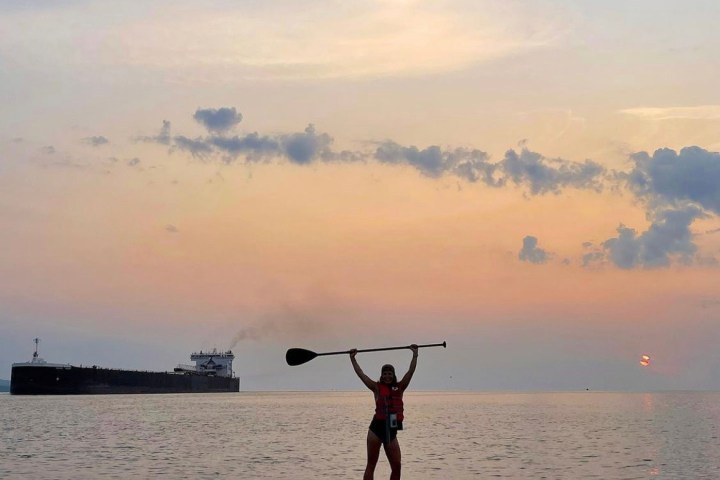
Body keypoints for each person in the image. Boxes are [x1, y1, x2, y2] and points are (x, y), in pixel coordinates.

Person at [349, 344, 418, 480]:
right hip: (376, 430)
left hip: (391, 432)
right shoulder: (376, 387)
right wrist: (353, 359)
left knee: (397, 466)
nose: (387, 376)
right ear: (382, 375)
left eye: (389, 374)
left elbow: (410, 372)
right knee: (371, 465)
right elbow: (361, 375)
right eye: (385, 374)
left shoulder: (400, 387)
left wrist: (415, 355)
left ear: (393, 375)